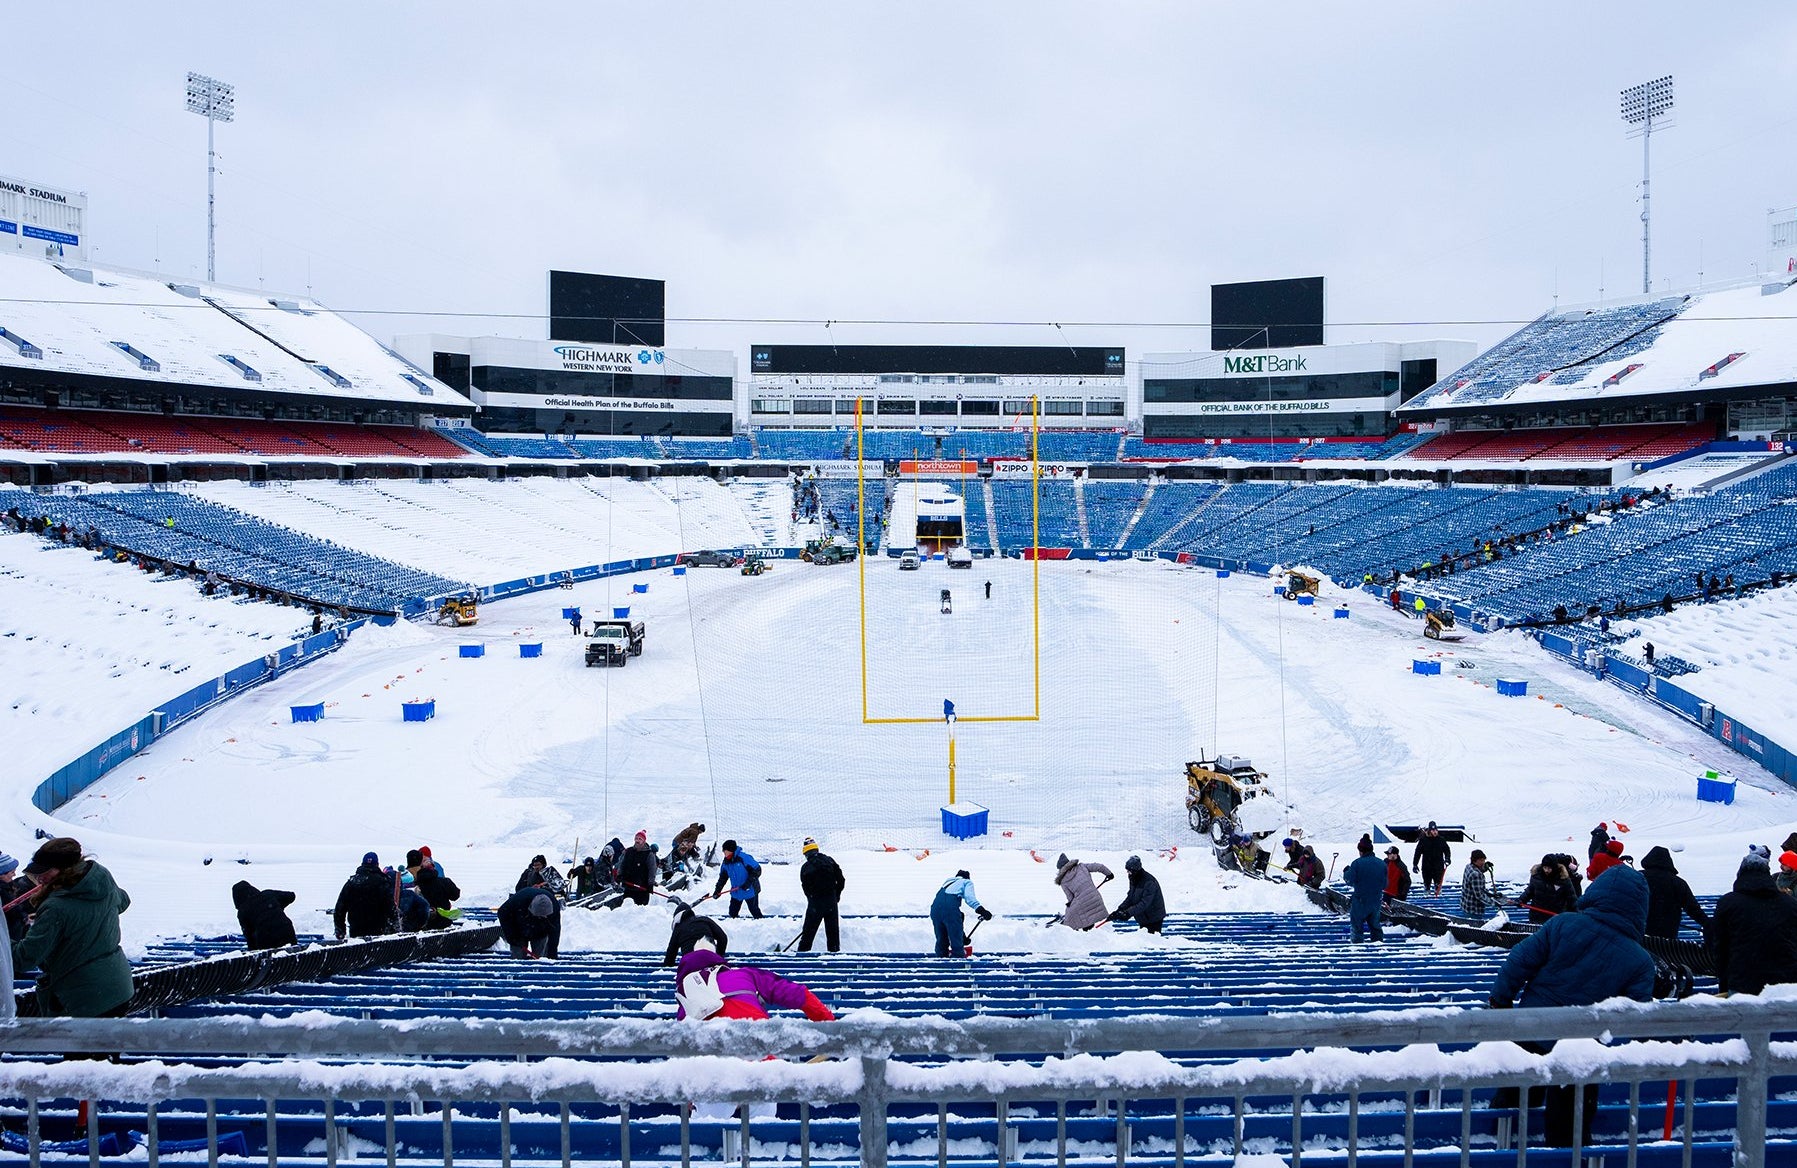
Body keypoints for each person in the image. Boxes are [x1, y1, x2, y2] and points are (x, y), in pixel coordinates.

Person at [1488, 866, 1656, 1147]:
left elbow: (1520, 959)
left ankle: (1499, 1143)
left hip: (1532, 1027)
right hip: (1582, 1049)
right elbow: (1636, 1016)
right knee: (1570, 1122)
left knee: (1514, 1096)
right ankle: (1565, 1154)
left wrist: (1500, 1000)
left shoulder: (1563, 924)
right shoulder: (1640, 961)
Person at [8, 837, 134, 1018]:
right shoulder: (102, 882)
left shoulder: (56, 907)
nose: (39, 878)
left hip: (83, 995)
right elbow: (123, 901)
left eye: (45, 872)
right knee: (106, 1045)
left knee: (84, 1046)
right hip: (117, 987)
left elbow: (26, 958)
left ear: (64, 870)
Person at [673, 938, 835, 1022]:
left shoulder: (685, 997)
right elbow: (798, 994)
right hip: (759, 1057)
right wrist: (830, 1024)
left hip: (712, 1075)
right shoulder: (744, 974)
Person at [1710, 847, 1797, 996]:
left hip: (1743, 982)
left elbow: (1720, 947)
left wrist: (1725, 981)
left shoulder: (1728, 903)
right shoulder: (1789, 904)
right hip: (1784, 984)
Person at [1640, 845, 1708, 940]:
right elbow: (1693, 908)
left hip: (1640, 932)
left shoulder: (1638, 877)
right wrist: (1707, 923)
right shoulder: (1678, 883)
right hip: (1667, 936)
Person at [797, 837, 846, 953]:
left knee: (808, 933)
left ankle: (802, 955)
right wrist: (836, 896)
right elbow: (841, 880)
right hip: (831, 902)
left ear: (806, 853)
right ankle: (834, 957)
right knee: (833, 933)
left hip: (815, 904)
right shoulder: (829, 861)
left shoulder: (806, 867)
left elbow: (805, 887)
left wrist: (812, 899)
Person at [333, 851, 395, 939]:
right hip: (379, 932)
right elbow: (391, 908)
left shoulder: (352, 882)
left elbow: (340, 909)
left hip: (356, 931)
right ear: (377, 864)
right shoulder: (383, 882)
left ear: (362, 864)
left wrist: (340, 931)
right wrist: (394, 929)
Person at [931, 869, 990, 958]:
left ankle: (941, 961)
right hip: (950, 909)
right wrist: (981, 910)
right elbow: (970, 898)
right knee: (956, 943)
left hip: (934, 910)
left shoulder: (946, 884)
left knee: (941, 940)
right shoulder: (966, 882)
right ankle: (958, 963)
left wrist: (962, 937)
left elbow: (955, 921)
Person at [1342, 835, 1386, 942]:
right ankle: (1378, 949)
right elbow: (1385, 884)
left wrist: (1346, 871)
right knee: (1375, 926)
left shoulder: (1357, 863)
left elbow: (1349, 880)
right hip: (1376, 900)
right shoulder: (1382, 864)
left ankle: (1358, 951)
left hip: (1360, 901)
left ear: (1361, 850)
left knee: (1357, 927)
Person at [1054, 854, 1114, 930]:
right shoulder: (1082, 867)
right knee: (1088, 914)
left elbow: (1070, 897)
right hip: (1095, 898)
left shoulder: (1063, 881)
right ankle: (1088, 930)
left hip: (1082, 903)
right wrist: (1109, 874)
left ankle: (1064, 927)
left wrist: (1069, 904)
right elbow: (1099, 866)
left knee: (1071, 913)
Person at [232, 880, 297, 950]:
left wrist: (252, 954)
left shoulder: (243, 911)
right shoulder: (268, 894)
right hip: (287, 932)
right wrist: (276, 907)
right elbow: (291, 896)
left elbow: (249, 936)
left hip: (267, 939)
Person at [496, 888, 560, 959]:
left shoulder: (554, 907)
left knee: (540, 958)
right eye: (539, 916)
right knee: (518, 958)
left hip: (540, 931)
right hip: (518, 929)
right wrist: (513, 937)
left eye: (544, 917)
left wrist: (552, 954)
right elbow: (502, 913)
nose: (541, 918)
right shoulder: (518, 901)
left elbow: (555, 931)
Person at [1108, 855, 1166, 933]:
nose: (1127, 872)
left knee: (1152, 941)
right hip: (1143, 917)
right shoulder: (1134, 878)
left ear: (1135, 870)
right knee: (1144, 939)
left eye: (1129, 871)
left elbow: (1144, 903)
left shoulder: (1149, 882)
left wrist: (1128, 913)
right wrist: (1120, 910)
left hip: (1153, 917)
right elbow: (1130, 897)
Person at [1517, 854, 1578, 925]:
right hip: (1537, 916)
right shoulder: (1537, 876)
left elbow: (1571, 897)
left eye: (1549, 868)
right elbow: (1530, 890)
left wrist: (1576, 912)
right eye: (1545, 868)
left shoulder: (1563, 879)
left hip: (1555, 917)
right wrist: (1521, 900)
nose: (1546, 870)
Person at [407, 849, 462, 928]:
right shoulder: (445, 882)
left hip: (423, 926)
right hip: (444, 924)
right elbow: (455, 895)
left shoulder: (415, 885)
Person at [711, 840, 764, 919]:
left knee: (754, 910)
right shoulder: (726, 863)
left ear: (730, 850)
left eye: (725, 850)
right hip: (736, 891)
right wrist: (717, 891)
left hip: (750, 890)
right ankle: (734, 928)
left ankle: (762, 924)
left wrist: (748, 883)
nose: (723, 853)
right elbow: (722, 878)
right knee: (732, 913)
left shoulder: (743, 858)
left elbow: (757, 870)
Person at [664, 902, 729, 966]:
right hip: (711, 957)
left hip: (691, 963)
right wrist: (718, 955)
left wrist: (668, 964)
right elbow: (723, 938)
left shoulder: (678, 928)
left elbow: (671, 953)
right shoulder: (704, 920)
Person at [1459, 850, 1503, 920]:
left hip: (1466, 905)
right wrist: (1494, 903)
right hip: (1474, 910)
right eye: (1481, 860)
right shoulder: (1476, 875)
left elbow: (1476, 872)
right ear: (1474, 860)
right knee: (1473, 929)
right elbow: (1479, 896)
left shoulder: (1468, 866)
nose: (1483, 862)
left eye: (1484, 860)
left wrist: (1485, 868)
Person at [617, 831, 658, 906]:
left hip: (642, 889)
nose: (637, 840)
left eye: (640, 839)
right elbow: (621, 864)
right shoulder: (628, 851)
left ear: (644, 841)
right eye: (636, 838)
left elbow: (652, 871)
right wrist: (619, 875)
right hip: (628, 887)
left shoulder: (649, 854)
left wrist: (650, 884)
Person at [1412, 822, 1452, 897]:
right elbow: (1417, 853)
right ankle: (1427, 890)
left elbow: (1447, 850)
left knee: (1438, 883)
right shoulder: (1423, 840)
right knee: (1427, 882)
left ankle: (1438, 893)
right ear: (1429, 831)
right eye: (1433, 830)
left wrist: (1447, 859)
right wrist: (1415, 864)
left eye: (1436, 830)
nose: (1435, 832)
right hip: (1427, 866)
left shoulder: (1441, 840)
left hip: (1438, 866)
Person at [1, 850, 33, 942]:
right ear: (2, 874)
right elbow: (10, 913)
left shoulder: (10, 887)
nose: (14, 874)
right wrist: (23, 917)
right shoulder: (3, 892)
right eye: (12, 872)